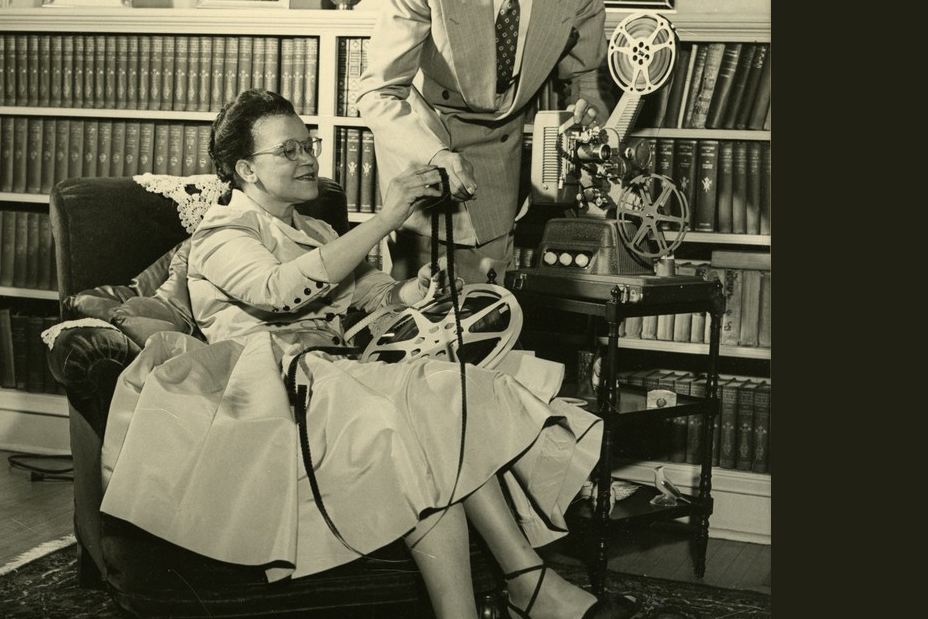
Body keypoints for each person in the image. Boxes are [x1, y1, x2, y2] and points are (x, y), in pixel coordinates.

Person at [98, 90, 641, 619]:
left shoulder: (314, 228)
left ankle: (518, 590)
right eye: (288, 150)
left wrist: (412, 291)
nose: (308, 157)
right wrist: (387, 218)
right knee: (426, 417)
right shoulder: (220, 234)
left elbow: (371, 292)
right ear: (246, 170)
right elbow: (280, 290)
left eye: (308, 144)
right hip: (267, 401)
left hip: (332, 379)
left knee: (443, 409)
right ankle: (530, 588)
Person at [356, 0, 611, 286]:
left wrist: (589, 127)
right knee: (417, 313)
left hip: (500, 152)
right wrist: (435, 155)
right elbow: (378, 91)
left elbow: (586, 77)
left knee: (488, 312)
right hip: (429, 142)